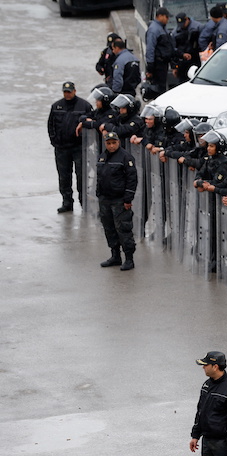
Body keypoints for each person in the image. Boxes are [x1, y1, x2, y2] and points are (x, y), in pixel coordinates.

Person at [96, 132, 138, 271]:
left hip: (119, 200)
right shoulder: (102, 157)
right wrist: (99, 194)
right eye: (109, 143)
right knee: (109, 229)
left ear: (118, 142)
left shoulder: (126, 158)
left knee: (124, 229)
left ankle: (129, 259)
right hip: (105, 199)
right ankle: (115, 256)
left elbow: (132, 179)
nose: (111, 146)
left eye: (114, 143)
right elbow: (100, 177)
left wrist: (128, 199)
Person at [48, 81, 92, 213]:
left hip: (78, 148)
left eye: (69, 91)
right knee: (64, 176)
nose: (67, 94)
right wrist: (54, 140)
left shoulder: (84, 106)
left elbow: (91, 124)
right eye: (65, 92)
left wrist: (86, 144)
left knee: (81, 176)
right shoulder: (57, 106)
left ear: (75, 91)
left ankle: (84, 202)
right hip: (61, 148)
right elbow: (51, 125)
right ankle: (67, 202)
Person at [146, 7, 176, 98]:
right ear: (160, 16)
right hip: (157, 64)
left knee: (162, 88)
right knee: (158, 89)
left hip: (163, 63)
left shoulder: (162, 28)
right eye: (166, 17)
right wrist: (150, 68)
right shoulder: (154, 30)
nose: (168, 19)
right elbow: (150, 49)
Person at [173, 12, 202, 83]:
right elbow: (174, 49)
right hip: (183, 62)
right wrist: (174, 66)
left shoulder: (198, 27)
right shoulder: (175, 32)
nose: (182, 26)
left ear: (187, 19)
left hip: (196, 59)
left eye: (183, 23)